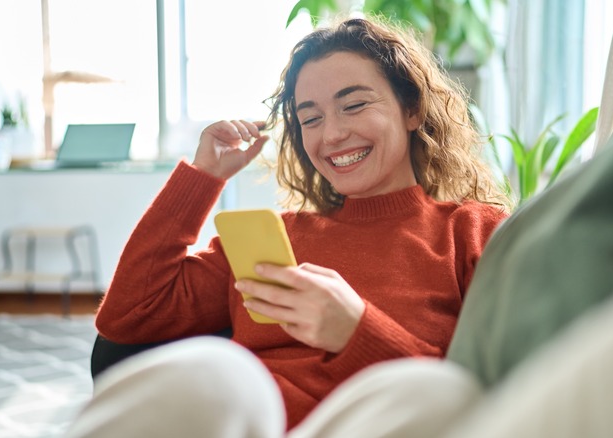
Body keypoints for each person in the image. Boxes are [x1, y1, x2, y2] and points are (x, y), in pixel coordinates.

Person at [69, 16, 509, 436]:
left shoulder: (473, 233)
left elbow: (487, 395)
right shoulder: (275, 240)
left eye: (353, 105)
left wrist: (356, 331)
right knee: (219, 371)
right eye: (310, 118)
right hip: (255, 423)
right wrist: (202, 178)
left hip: (381, 424)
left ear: (411, 109)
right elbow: (127, 318)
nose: (332, 134)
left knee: (440, 390)